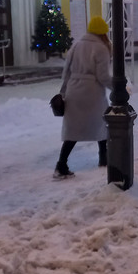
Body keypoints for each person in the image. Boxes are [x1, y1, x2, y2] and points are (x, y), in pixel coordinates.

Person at [54, 15, 113, 179]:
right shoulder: (101, 48)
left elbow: (66, 72)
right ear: (103, 33)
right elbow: (102, 76)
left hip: (74, 91)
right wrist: (118, 87)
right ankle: (104, 159)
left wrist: (63, 92)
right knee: (101, 124)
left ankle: (61, 164)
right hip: (92, 92)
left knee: (73, 130)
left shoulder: (77, 45)